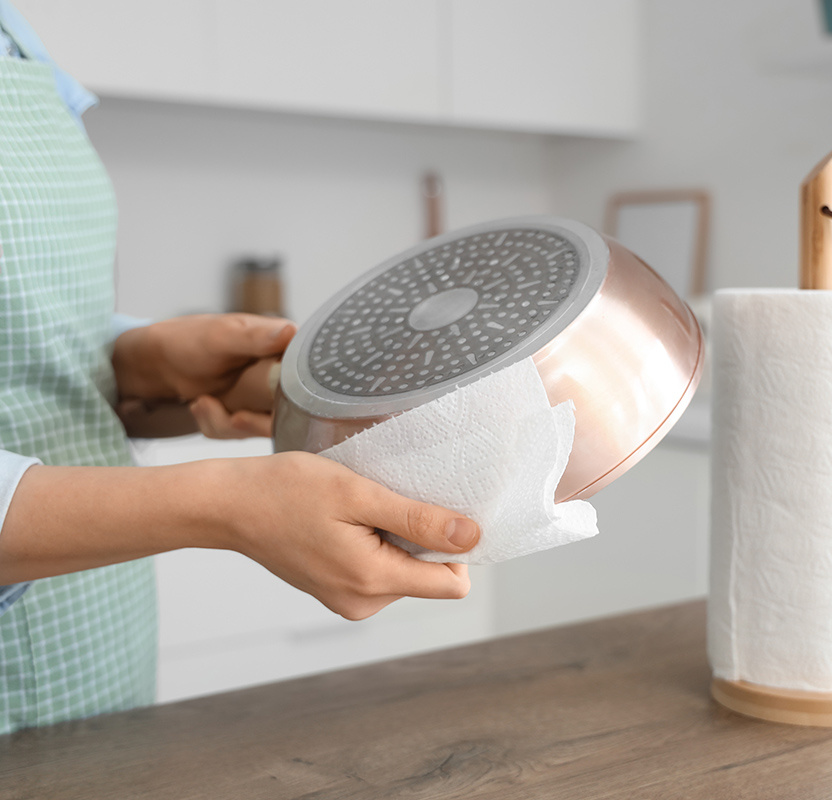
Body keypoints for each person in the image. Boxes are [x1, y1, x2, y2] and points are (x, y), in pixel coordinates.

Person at [0, 1, 479, 734]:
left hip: (96, 641)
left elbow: (24, 346)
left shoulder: (19, 39)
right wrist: (226, 503)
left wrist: (146, 361)